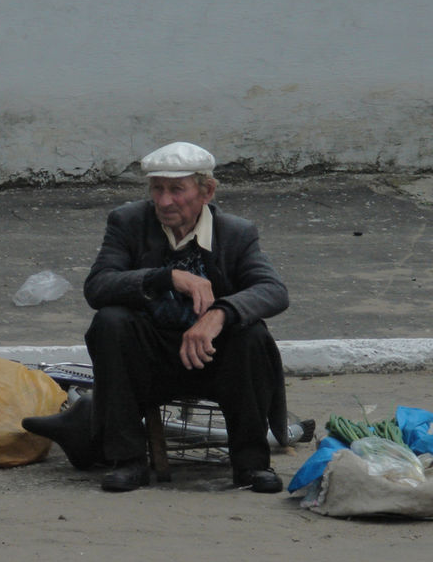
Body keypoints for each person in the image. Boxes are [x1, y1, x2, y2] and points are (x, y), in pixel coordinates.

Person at [24, 142, 291, 493]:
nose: (164, 201)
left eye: (177, 190)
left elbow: (273, 290)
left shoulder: (236, 233)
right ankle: (128, 461)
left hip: (212, 357)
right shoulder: (129, 221)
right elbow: (98, 286)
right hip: (149, 356)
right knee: (111, 321)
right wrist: (164, 277)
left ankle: (252, 465)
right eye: (157, 189)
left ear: (206, 191)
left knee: (252, 335)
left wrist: (219, 314)